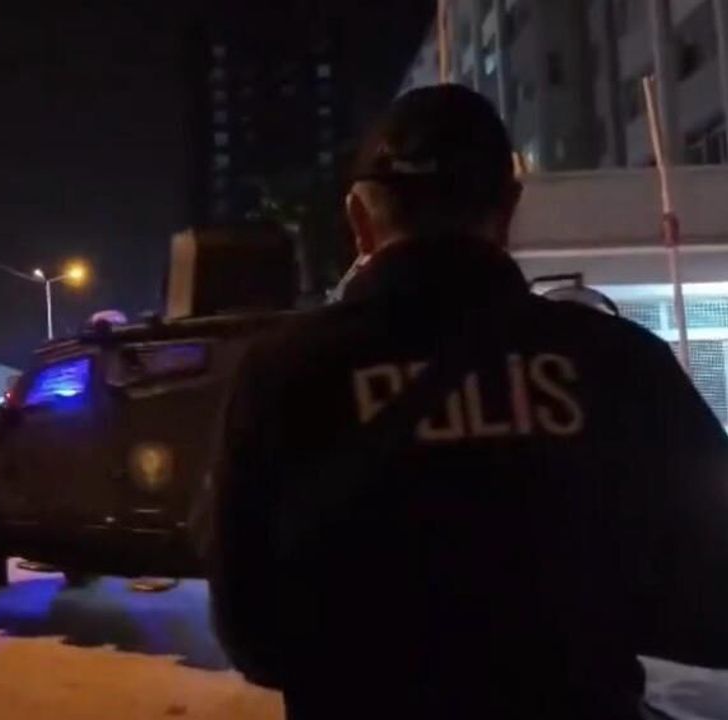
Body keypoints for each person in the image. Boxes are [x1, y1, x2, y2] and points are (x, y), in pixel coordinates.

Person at [206, 84, 728, 720]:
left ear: (360, 220)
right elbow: (710, 601)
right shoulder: (618, 362)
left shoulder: (282, 374)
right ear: (507, 210)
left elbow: (253, 632)